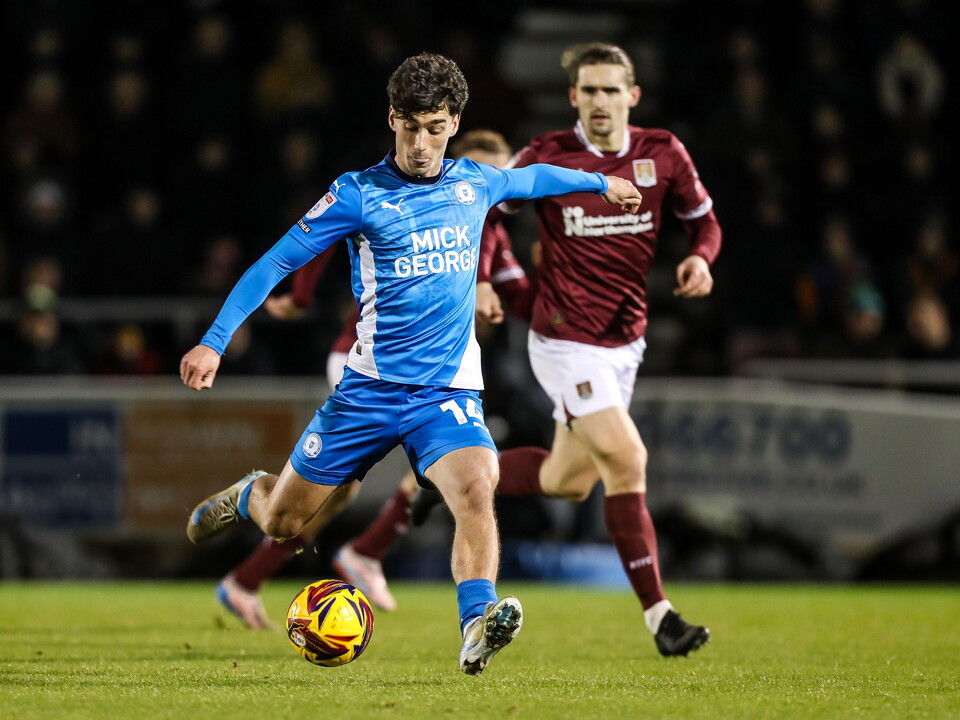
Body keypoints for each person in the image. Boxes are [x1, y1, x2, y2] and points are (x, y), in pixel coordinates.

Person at [179, 52, 642, 676]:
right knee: (287, 523)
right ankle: (248, 495)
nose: (421, 144)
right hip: (366, 391)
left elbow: (534, 180)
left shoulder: (476, 181)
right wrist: (214, 339)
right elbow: (275, 264)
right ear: (392, 118)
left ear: (454, 124)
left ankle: (476, 623)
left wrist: (599, 183)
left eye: (435, 128)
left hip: (444, 392)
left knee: (478, 488)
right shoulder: (357, 193)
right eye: (411, 127)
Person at [420, 42, 721, 658]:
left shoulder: (662, 152)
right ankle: (661, 618)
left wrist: (700, 257)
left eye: (612, 90)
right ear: (573, 97)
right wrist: (479, 277)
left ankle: (461, 474)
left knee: (567, 479)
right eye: (589, 91)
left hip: (625, 341)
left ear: (632, 96)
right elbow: (481, 211)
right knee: (628, 459)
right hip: (562, 339)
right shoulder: (551, 155)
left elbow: (705, 221)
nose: (601, 101)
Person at [215, 129, 531, 624]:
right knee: (317, 501)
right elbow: (312, 241)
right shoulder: (385, 195)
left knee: (463, 480)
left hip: (438, 381)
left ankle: (465, 610)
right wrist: (299, 298)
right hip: (363, 364)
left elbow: (521, 292)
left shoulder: (489, 227)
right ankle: (343, 545)